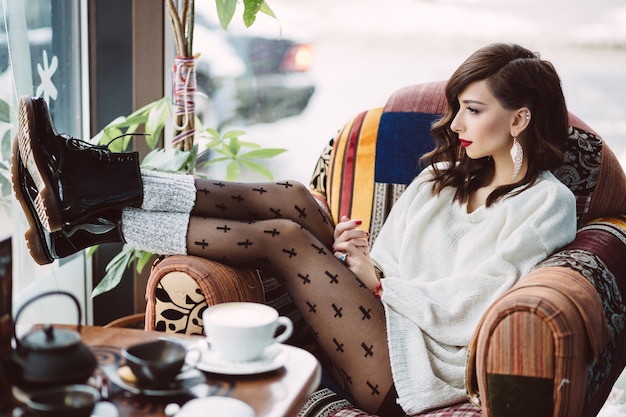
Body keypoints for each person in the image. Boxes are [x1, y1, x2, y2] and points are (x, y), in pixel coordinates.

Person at [12, 43, 576, 415]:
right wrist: (366, 262)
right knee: (292, 199)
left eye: (473, 110)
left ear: (520, 118)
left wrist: (378, 283)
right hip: (383, 315)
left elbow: (481, 300)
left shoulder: (548, 204)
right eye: (456, 108)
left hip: (413, 364)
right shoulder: (441, 179)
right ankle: (87, 200)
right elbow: (391, 260)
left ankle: (94, 214)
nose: (454, 124)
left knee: (284, 236)